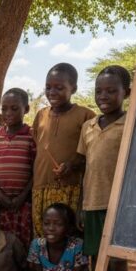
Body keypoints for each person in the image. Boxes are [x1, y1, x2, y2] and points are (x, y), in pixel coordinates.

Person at [79, 65, 132, 271]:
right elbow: (85, 167)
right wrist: (81, 205)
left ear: (127, 93)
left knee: (117, 265)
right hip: (92, 204)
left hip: (118, 207)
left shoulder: (131, 124)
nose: (104, 96)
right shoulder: (88, 126)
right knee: (96, 263)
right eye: (99, 91)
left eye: (111, 91)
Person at [30, 63, 93, 236]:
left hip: (70, 187)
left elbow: (92, 154)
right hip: (40, 187)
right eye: (48, 87)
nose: (52, 92)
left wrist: (72, 165)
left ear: (74, 89)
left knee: (67, 234)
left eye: (59, 88)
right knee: (43, 235)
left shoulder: (86, 116)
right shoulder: (41, 115)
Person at [0, 88, 36, 246]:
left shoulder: (31, 135)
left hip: (23, 203)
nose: (8, 113)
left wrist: (22, 197)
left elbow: (36, 169)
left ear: (26, 109)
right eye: (4, 109)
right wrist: (0, 196)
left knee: (21, 243)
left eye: (14, 109)